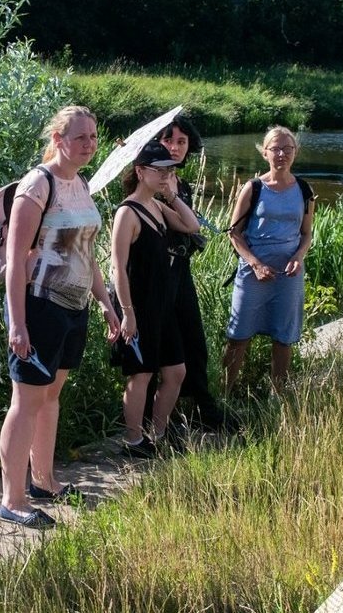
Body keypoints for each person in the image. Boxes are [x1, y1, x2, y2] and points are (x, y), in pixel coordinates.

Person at [0, 105, 123, 529]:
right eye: (79, 137)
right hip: (40, 306)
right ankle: (12, 500)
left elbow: (86, 252)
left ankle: (44, 481)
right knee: (27, 401)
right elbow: (15, 260)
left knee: (51, 396)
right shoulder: (39, 184)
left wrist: (106, 302)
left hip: (76, 308)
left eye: (93, 137)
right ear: (57, 139)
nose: (89, 144)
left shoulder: (80, 183)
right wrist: (18, 323)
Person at [110, 140, 201, 455]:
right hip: (140, 307)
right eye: (159, 170)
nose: (166, 175)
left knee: (176, 371)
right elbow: (116, 268)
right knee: (142, 373)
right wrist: (127, 312)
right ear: (139, 171)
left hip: (164, 306)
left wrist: (171, 194)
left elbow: (191, 225)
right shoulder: (127, 212)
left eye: (170, 170)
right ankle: (133, 440)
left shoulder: (158, 207)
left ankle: (159, 433)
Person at [149, 117, 229, 431]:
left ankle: (200, 407)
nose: (176, 147)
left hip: (181, 271)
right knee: (162, 351)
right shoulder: (150, 180)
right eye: (169, 140)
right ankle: (156, 423)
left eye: (181, 142)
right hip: (158, 275)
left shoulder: (181, 183)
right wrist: (168, 196)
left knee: (194, 342)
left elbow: (187, 230)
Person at [222, 126, 314, 393]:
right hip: (254, 271)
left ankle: (278, 397)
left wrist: (299, 257)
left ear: (295, 153)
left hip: (288, 275)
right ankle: (225, 395)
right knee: (238, 336)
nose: (282, 154)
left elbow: (306, 233)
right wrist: (256, 263)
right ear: (265, 153)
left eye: (288, 148)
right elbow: (234, 234)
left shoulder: (305, 190)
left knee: (283, 338)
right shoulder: (253, 188)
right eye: (275, 148)